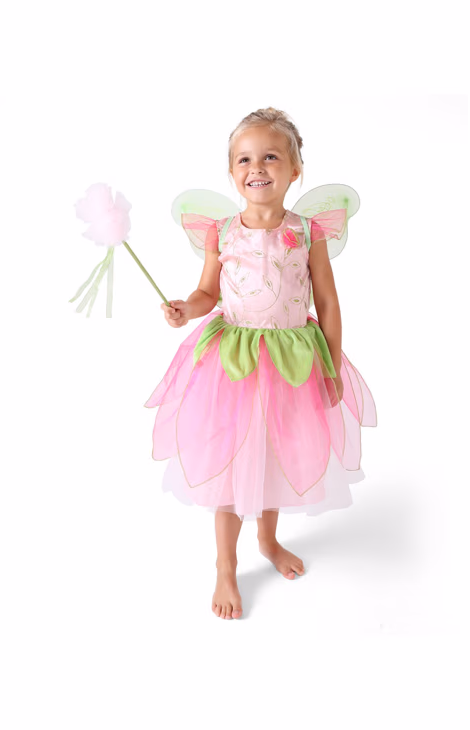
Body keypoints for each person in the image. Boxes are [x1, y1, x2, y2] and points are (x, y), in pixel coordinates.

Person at [144, 107, 377, 620]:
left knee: (274, 452)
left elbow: (327, 301)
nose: (257, 167)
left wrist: (331, 365)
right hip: (234, 362)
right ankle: (226, 565)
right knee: (231, 460)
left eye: (271, 157)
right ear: (231, 172)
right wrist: (186, 309)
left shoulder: (308, 232)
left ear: (295, 170)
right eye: (245, 159)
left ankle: (268, 541)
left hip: (292, 360)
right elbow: (207, 293)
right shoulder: (222, 232)